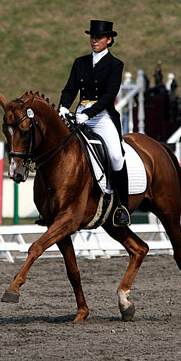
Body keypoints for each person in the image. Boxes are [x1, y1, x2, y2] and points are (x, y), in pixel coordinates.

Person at [58, 19, 130, 226]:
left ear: (109, 40)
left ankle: (121, 207)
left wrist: (89, 114)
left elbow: (109, 96)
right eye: (92, 37)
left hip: (101, 116)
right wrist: (64, 106)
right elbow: (70, 88)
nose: (94, 40)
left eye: (98, 38)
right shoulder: (80, 62)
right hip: (79, 113)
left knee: (116, 156)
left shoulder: (116, 65)